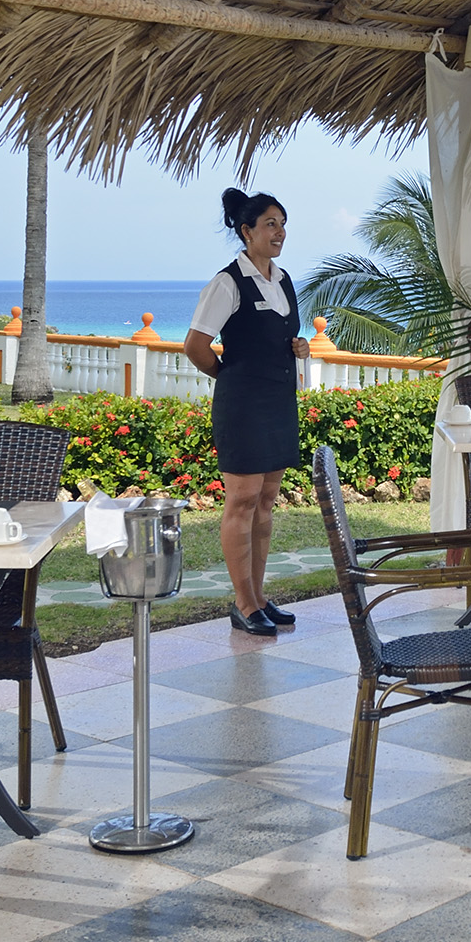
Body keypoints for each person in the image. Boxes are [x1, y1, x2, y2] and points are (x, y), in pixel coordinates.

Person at [185, 188, 310, 636]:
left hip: (278, 402)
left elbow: (284, 335)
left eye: (283, 224)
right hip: (242, 404)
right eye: (271, 224)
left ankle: (259, 596)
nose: (280, 233)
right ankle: (242, 604)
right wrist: (230, 376)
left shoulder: (283, 280)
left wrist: (301, 346)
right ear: (247, 231)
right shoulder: (227, 282)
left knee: (266, 501)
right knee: (241, 500)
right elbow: (195, 346)